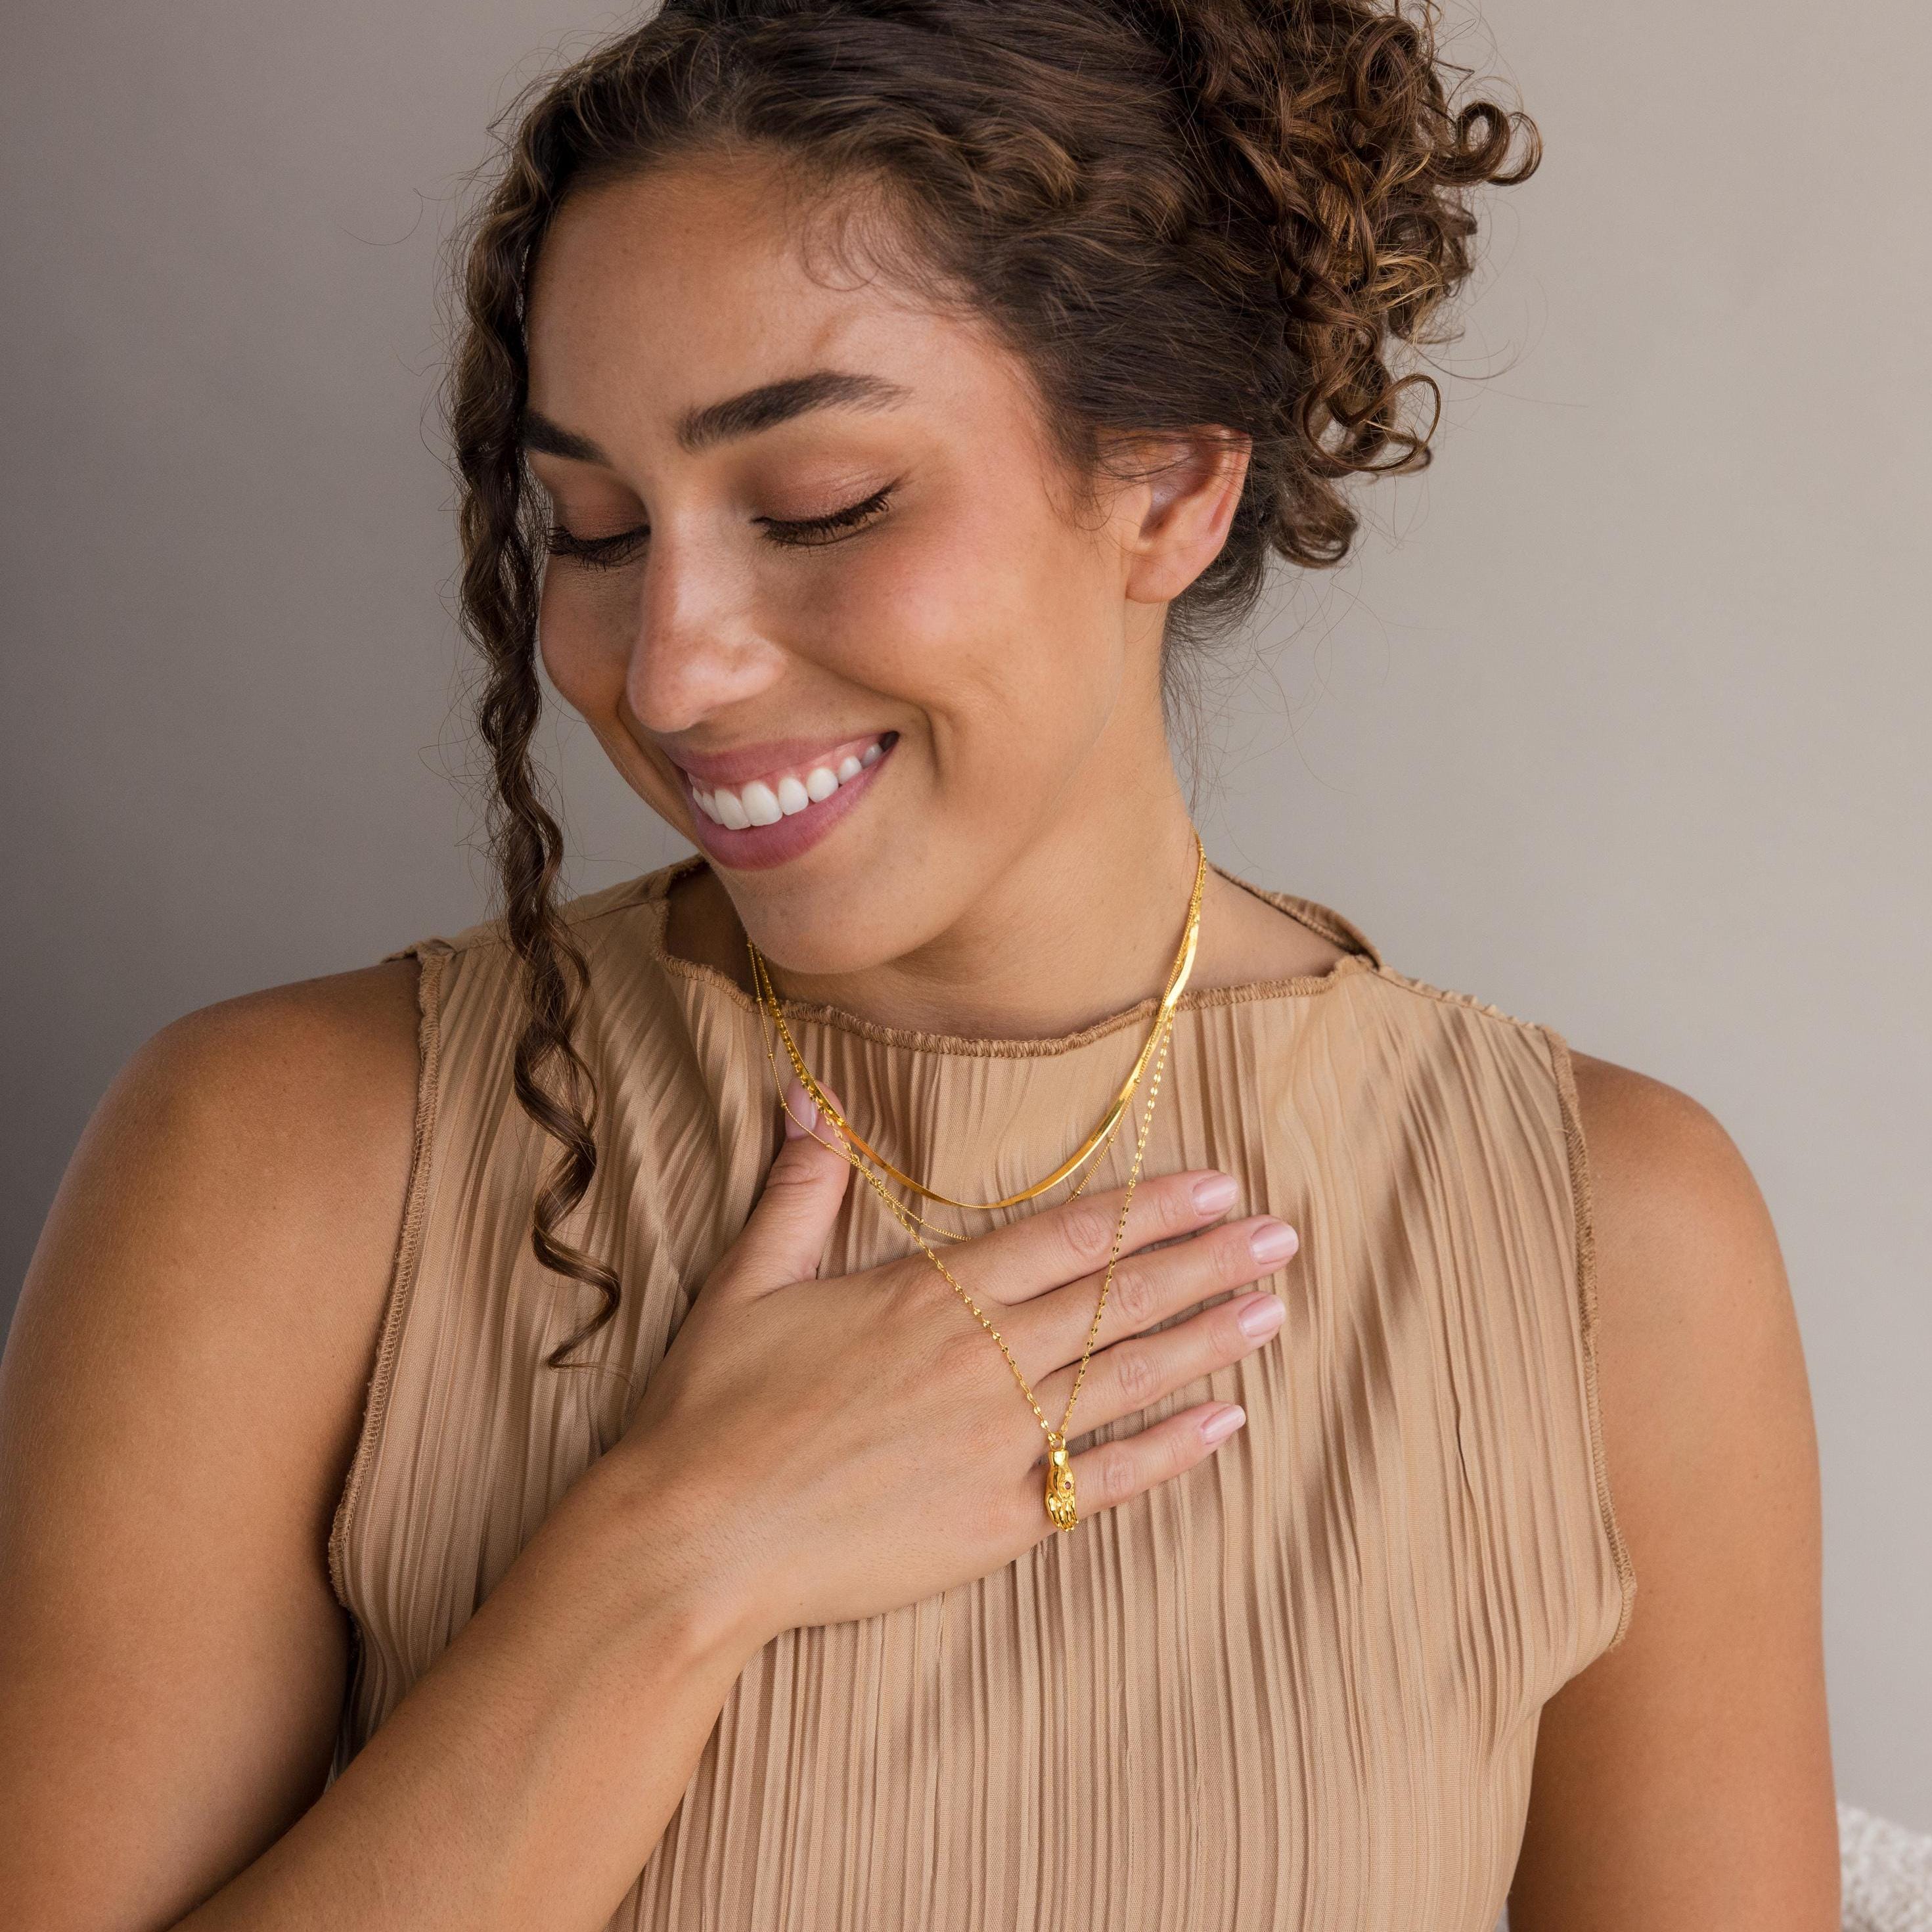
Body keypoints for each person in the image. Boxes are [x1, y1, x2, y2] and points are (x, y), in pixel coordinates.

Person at [0, 2, 1838, 1927]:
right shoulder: (283, 1157)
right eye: (596, 526)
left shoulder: (1607, 1242)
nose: (669, 663)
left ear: (1169, 481)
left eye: (820, 505)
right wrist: (676, 1560)